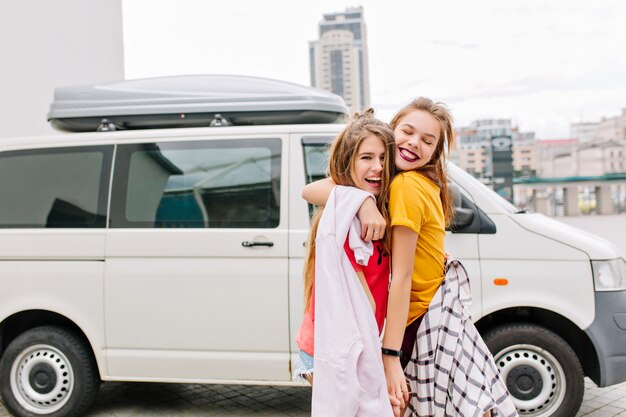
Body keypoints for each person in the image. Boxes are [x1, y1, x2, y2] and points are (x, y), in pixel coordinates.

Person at [303, 98, 517, 417]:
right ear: (392, 132)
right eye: (408, 131)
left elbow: (400, 274)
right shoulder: (390, 184)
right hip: (366, 337)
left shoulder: (406, 186)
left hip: (404, 327)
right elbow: (312, 190)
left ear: (435, 152)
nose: (415, 143)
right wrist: (363, 202)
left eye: (428, 140)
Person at [294, 109, 398, 416]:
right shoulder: (347, 216)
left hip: (352, 344)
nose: (377, 167)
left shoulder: (379, 205)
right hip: (339, 347)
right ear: (348, 162)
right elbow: (360, 300)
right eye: (366, 157)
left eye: (383, 158)